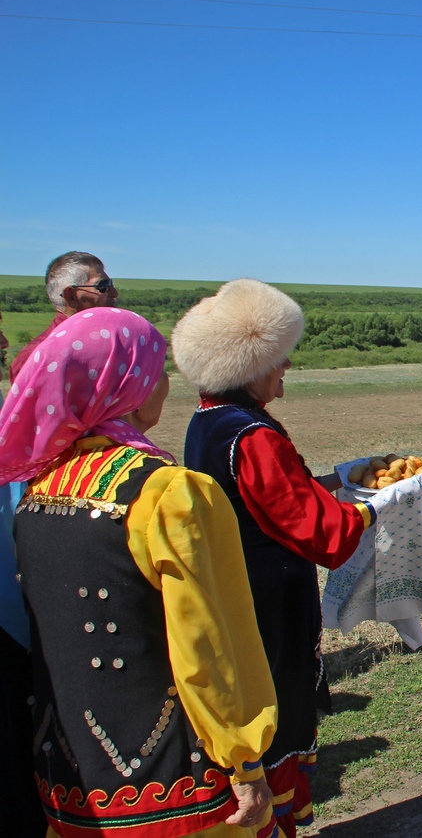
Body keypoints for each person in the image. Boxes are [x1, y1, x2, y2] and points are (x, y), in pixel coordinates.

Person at [4, 308, 278, 837]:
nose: (166, 383)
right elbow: (210, 643)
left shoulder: (36, 489)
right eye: (153, 370)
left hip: (70, 780)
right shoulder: (170, 493)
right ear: (120, 385)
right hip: (177, 782)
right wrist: (243, 759)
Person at [174, 280, 378, 837]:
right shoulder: (255, 435)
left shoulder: (207, 419)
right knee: (277, 723)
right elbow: (321, 535)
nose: (284, 372)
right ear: (251, 364)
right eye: (277, 362)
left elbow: (267, 500)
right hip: (268, 603)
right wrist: (378, 505)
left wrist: (335, 479)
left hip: (234, 588)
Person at [9, 251, 118, 381]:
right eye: (103, 286)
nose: (114, 293)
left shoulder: (109, 344)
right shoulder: (37, 359)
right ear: (71, 295)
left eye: (111, 284)